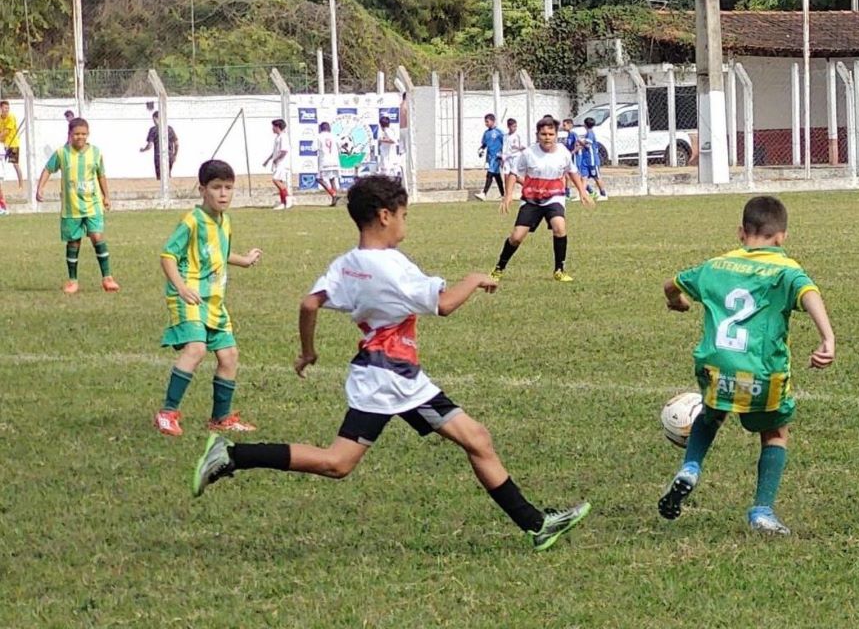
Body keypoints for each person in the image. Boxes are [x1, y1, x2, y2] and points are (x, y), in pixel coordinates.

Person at [191, 175, 591, 551]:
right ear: (385, 216)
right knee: (341, 462)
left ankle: (537, 525)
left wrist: (308, 351)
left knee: (465, 440)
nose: (405, 224)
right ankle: (232, 456)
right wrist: (474, 279)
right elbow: (445, 305)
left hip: (384, 373)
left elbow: (309, 302)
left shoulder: (347, 262)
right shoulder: (393, 267)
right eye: (404, 216)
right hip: (392, 379)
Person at [657, 195, 835, 535]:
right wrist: (827, 337)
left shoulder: (715, 266)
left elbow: (671, 285)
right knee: (775, 433)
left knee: (712, 413)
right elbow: (809, 293)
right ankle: (762, 511)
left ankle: (690, 467)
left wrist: (677, 302)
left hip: (715, 366)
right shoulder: (786, 269)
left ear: (741, 233)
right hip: (761, 372)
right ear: (782, 237)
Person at [153, 160, 263, 437]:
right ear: (203, 190)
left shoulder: (224, 221)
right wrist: (180, 287)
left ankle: (221, 418)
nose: (223, 193)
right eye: (216, 188)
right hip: (189, 296)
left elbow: (219, 253)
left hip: (214, 300)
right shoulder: (192, 220)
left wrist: (245, 260)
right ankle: (167, 413)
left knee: (229, 355)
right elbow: (168, 256)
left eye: (228, 188)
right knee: (197, 349)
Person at [491, 116, 594, 283]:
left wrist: (582, 191)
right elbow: (513, 173)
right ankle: (499, 268)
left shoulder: (563, 152)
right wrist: (508, 195)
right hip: (532, 199)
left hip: (555, 197)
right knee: (517, 237)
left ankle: (559, 270)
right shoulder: (528, 153)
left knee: (559, 227)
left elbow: (572, 171)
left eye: (551, 134)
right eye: (543, 134)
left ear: (555, 135)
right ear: (537, 135)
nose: (547, 137)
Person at [35, 118, 119, 294]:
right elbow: (48, 169)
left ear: (88, 134)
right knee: (74, 242)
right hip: (71, 207)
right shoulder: (61, 153)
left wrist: (106, 196)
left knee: (97, 237)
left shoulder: (95, 153)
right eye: (76, 134)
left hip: (92, 205)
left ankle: (107, 278)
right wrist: (40, 187)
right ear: (70, 135)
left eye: (83, 134)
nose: (80, 137)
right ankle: (73, 281)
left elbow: (101, 175)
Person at [139, 111, 179, 181]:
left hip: (158, 156)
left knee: (160, 178)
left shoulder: (153, 130)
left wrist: (143, 150)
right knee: (167, 176)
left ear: (155, 118)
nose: (154, 122)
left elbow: (149, 145)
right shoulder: (169, 129)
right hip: (169, 156)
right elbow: (177, 144)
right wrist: (175, 155)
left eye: (154, 120)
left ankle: (163, 191)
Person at [262, 119, 292, 210]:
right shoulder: (278, 137)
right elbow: (275, 151)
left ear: (277, 127)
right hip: (278, 163)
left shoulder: (283, 137)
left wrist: (277, 159)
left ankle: (288, 199)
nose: (272, 129)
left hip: (282, 163)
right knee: (280, 182)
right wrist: (268, 160)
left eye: (273, 127)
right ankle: (283, 202)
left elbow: (284, 151)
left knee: (276, 180)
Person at [475, 113, 505, 201]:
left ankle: (484, 193)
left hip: (497, 157)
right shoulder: (486, 133)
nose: (486, 123)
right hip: (490, 157)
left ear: (493, 121)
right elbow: (484, 144)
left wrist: (502, 154)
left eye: (487, 121)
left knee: (489, 174)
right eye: (485, 122)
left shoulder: (499, 132)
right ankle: (503, 195)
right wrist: (481, 150)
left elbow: (506, 144)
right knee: (496, 176)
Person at [578, 117, 608, 201]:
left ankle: (603, 194)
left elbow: (587, 143)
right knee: (583, 177)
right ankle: (582, 195)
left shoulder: (590, 133)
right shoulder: (587, 133)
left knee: (596, 177)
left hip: (592, 160)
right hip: (585, 160)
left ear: (585, 124)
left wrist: (579, 140)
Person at [315, 121, 341, 206]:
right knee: (332, 179)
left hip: (325, 161)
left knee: (319, 179)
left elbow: (314, 148)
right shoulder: (334, 136)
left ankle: (333, 194)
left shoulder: (319, 137)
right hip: (335, 161)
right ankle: (334, 200)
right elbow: (341, 145)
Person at [1, 100, 22, 191]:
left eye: (8, 108)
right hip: (3, 144)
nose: (7, 109)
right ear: (1, 108)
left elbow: (6, 132)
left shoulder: (11, 117)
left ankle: (21, 185)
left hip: (12, 144)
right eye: (5, 108)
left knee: (15, 164)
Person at [376, 115, 402, 180]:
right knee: (383, 171)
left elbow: (393, 141)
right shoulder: (384, 131)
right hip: (385, 154)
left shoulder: (387, 131)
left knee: (386, 171)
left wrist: (382, 140)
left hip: (388, 155)